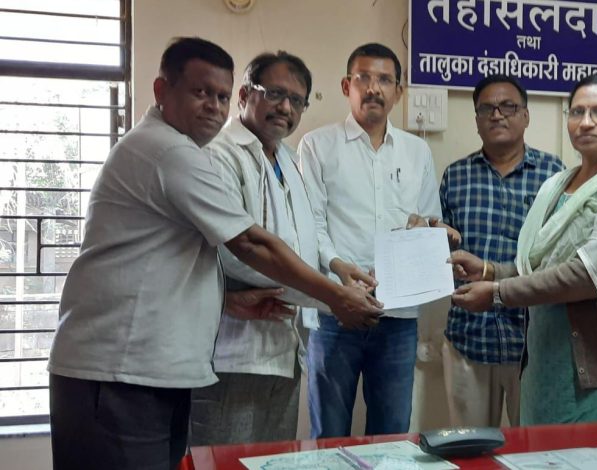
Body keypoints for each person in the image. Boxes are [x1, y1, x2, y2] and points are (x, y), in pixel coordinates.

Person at [47, 37, 381, 470]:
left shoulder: (278, 159)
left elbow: (181, 259)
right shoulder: (176, 151)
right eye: (201, 92)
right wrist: (333, 296)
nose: (214, 106)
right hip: (123, 369)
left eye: (220, 96)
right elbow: (247, 245)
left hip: (170, 362)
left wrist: (236, 297)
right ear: (162, 90)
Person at [450, 73, 597, 425]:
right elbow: (543, 266)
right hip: (546, 366)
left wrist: (498, 293)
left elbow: (590, 274)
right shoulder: (557, 185)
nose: (586, 122)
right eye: (577, 112)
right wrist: (489, 270)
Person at [299, 43, 443, 438]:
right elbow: (310, 224)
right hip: (334, 312)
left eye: (384, 79)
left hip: (398, 317)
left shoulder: (417, 151)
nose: (373, 88)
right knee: (329, 435)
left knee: (393, 435)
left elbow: (430, 220)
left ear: (398, 91)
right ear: (347, 86)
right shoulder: (317, 145)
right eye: (363, 78)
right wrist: (338, 270)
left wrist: (427, 229)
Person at [189, 51, 318, 445]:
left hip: (284, 347)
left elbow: (301, 241)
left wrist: (335, 276)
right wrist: (326, 294)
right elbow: (234, 250)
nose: (286, 108)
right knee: (223, 460)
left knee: (272, 460)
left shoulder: (288, 159)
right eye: (275, 93)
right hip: (232, 351)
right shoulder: (220, 153)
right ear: (244, 95)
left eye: (297, 100)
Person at [439, 74, 563, 427]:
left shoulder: (554, 175)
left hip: (533, 342)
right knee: (470, 446)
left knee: (538, 448)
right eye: (487, 108)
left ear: (525, 115)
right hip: (469, 338)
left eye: (508, 106)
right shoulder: (455, 176)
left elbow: (559, 257)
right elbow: (442, 253)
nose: (497, 114)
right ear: (476, 119)